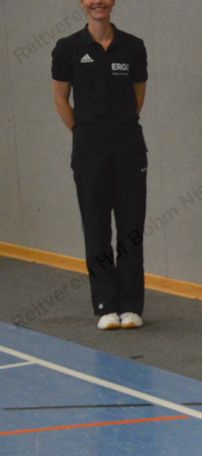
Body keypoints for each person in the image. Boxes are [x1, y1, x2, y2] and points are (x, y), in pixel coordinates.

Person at [51, 0, 148, 330]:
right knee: (96, 229)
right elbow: (60, 99)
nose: (98, 3)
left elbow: (137, 98)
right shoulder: (67, 48)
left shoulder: (133, 47)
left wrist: (116, 130)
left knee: (131, 230)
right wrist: (84, 133)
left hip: (129, 150)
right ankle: (106, 305)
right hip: (89, 152)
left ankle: (131, 306)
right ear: (82, 3)